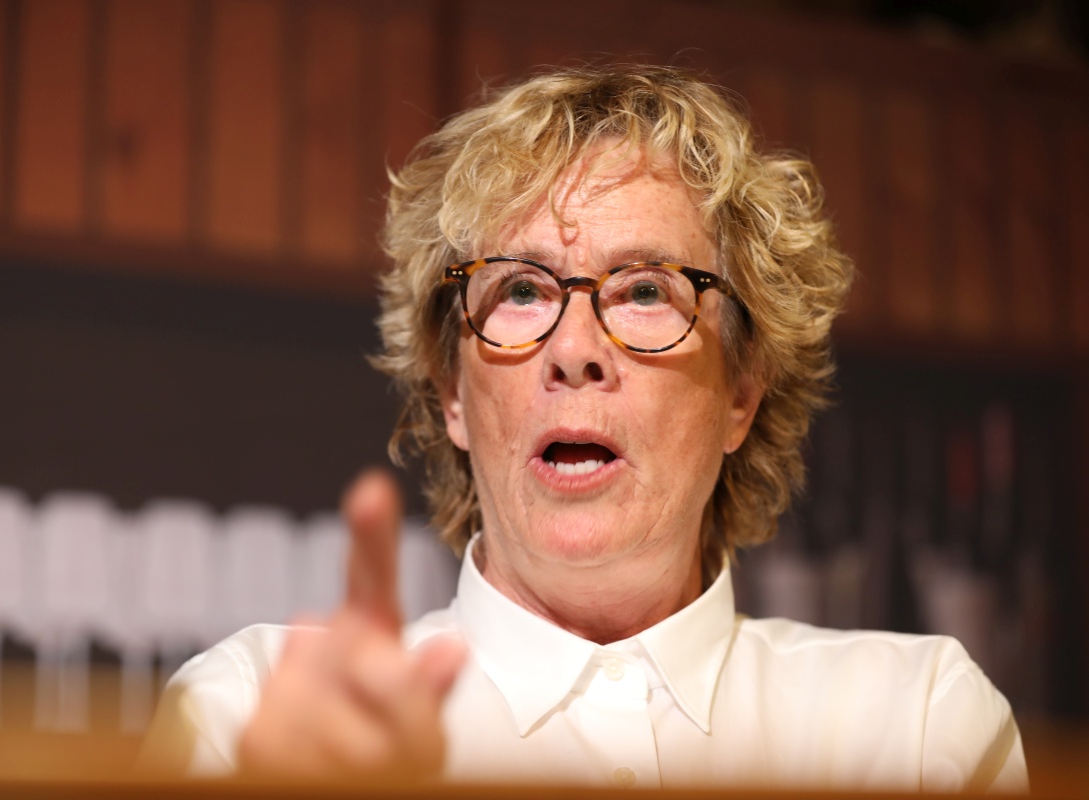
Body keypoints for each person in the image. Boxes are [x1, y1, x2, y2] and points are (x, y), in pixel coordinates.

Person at [142, 65, 1027, 791]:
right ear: (453, 393)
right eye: (521, 290)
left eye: (644, 291)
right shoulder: (246, 713)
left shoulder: (916, 728)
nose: (573, 351)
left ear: (740, 395)